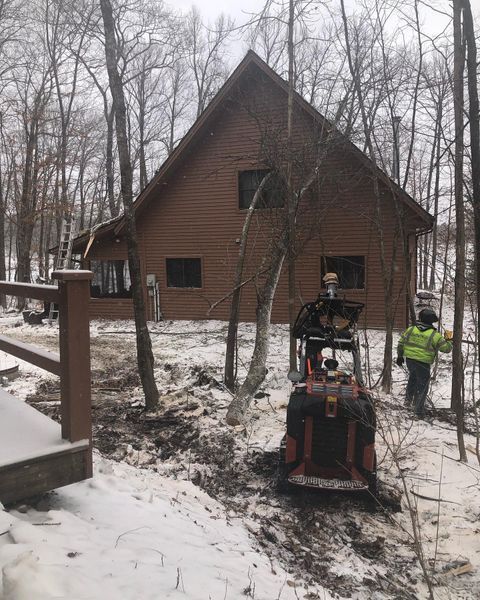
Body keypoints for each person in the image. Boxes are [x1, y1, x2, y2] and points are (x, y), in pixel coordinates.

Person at [396, 308, 453, 419]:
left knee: (412, 378)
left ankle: (408, 401)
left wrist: (399, 356)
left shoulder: (411, 329)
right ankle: (418, 412)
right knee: (422, 386)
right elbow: (446, 349)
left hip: (410, 361)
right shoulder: (435, 335)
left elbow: (401, 343)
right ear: (432, 321)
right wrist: (449, 339)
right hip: (423, 363)